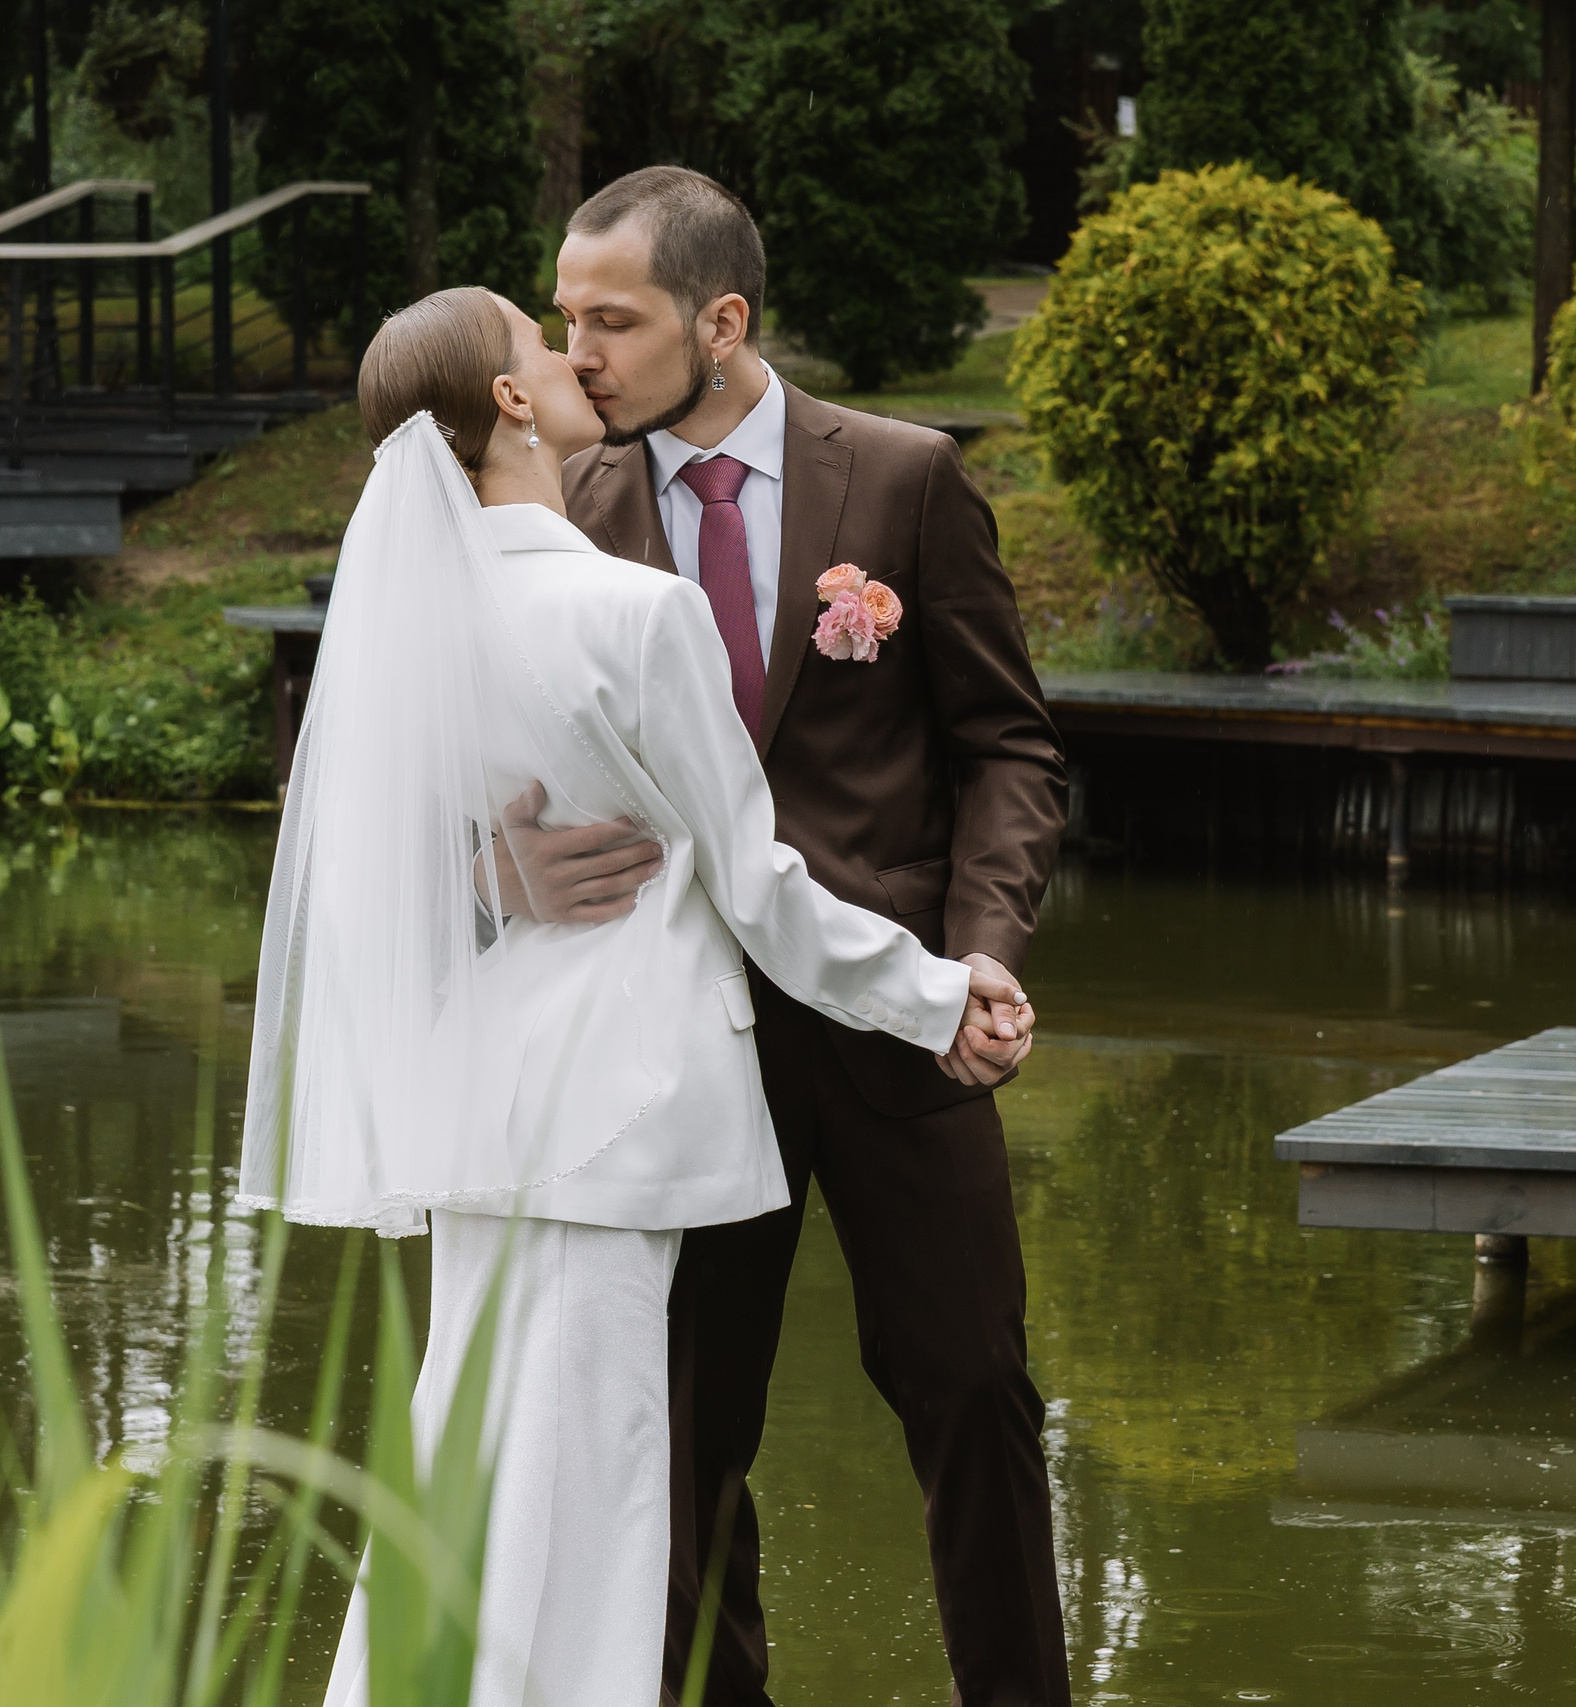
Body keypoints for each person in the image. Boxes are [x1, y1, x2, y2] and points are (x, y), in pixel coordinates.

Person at [237, 285, 1031, 1707]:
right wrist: (933, 993)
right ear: (517, 404)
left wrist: (496, 883)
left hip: (481, 1106)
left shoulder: (413, 628)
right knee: (603, 1486)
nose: (569, 351)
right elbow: (758, 888)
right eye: (541, 340)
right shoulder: (637, 609)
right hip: (625, 1111)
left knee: (473, 1460)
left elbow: (364, 878)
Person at [492, 167, 1071, 1704]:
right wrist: (512, 866)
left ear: (722, 319)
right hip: (673, 1045)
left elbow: (1009, 747)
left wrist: (983, 946)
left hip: (902, 1030)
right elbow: (487, 765)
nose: (581, 351)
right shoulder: (569, 513)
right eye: (567, 318)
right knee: (681, 1436)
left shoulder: (902, 478)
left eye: (612, 318)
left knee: (976, 1396)